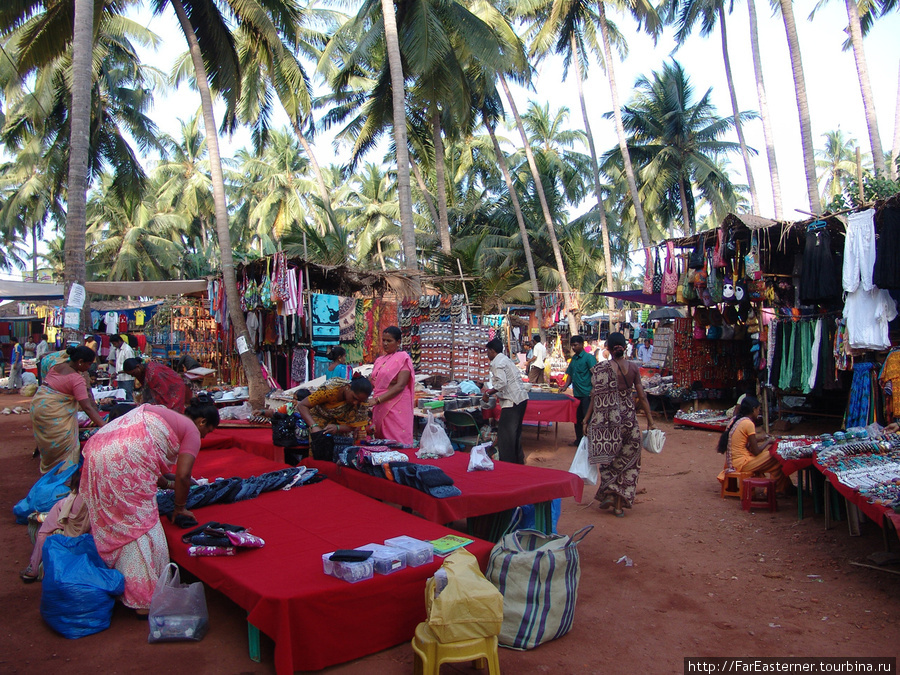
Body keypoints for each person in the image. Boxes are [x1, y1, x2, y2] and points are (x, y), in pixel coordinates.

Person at [80, 398, 220, 612]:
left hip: (97, 449)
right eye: (206, 432)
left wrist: (167, 484)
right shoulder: (191, 430)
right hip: (123, 456)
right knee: (140, 525)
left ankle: (114, 581)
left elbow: (151, 465)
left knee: (118, 519)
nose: (203, 437)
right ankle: (142, 598)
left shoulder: (166, 415)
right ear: (201, 422)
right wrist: (180, 507)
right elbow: (183, 476)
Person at [585, 332, 655, 517]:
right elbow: (642, 396)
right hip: (628, 421)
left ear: (607, 347)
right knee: (629, 462)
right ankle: (618, 504)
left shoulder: (601, 369)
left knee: (608, 459)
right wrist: (650, 421)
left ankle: (609, 492)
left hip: (607, 421)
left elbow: (595, 397)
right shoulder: (633, 368)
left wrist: (586, 419)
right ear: (624, 346)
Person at [31, 346, 106, 473]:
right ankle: (63, 477)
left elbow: (46, 357)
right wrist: (104, 426)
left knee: (49, 446)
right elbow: (87, 407)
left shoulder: (57, 362)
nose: (89, 368)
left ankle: (50, 474)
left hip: (38, 405)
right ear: (80, 361)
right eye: (88, 364)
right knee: (65, 448)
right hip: (54, 412)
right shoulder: (76, 379)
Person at [20, 469, 90, 583]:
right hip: (84, 530)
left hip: (66, 523)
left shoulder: (69, 501)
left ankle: (33, 569)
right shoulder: (97, 497)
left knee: (43, 533)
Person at [717, 396, 793, 494]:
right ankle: (777, 489)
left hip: (734, 461)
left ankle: (783, 487)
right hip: (742, 463)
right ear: (753, 410)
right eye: (758, 409)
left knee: (775, 460)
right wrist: (768, 442)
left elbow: (745, 439)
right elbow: (756, 451)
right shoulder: (748, 424)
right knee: (776, 456)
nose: (759, 412)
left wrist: (763, 438)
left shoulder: (736, 420)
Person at [295, 377, 373, 460]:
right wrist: (314, 426)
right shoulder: (329, 390)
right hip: (319, 421)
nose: (355, 403)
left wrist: (338, 427)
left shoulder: (362, 401)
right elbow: (302, 405)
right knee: (320, 455)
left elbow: (356, 424)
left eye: (359, 401)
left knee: (342, 458)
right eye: (354, 398)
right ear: (348, 387)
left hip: (342, 427)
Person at [482, 338, 529, 464]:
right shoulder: (505, 359)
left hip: (512, 401)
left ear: (492, 351)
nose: (487, 354)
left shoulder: (498, 362)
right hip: (520, 399)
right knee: (515, 433)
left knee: (506, 435)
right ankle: (518, 461)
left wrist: (488, 393)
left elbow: (502, 383)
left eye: (488, 351)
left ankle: (507, 463)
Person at [370, 326, 415, 445]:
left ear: (398, 342)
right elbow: (374, 381)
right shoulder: (380, 360)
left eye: (389, 341)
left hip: (396, 404)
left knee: (396, 441)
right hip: (380, 404)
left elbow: (400, 385)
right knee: (381, 442)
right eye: (383, 340)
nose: (385, 343)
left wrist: (378, 400)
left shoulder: (403, 358)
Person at [561, 335, 598, 447]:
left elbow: (595, 373)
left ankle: (589, 441)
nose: (573, 347)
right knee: (577, 418)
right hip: (576, 394)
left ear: (582, 344)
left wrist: (594, 388)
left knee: (588, 418)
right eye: (572, 345)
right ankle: (578, 440)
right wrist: (565, 386)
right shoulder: (574, 359)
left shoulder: (589, 358)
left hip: (587, 394)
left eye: (575, 345)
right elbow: (570, 374)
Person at [123, 357, 189, 413]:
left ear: (138, 367)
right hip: (167, 388)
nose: (133, 376)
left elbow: (159, 394)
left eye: (133, 373)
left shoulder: (153, 373)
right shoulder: (144, 371)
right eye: (131, 375)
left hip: (175, 388)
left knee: (170, 411)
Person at [110, 335, 136, 401]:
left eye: (114, 344)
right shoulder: (118, 350)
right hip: (120, 378)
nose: (114, 345)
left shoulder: (127, 350)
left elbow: (131, 366)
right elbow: (119, 364)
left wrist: (118, 372)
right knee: (122, 396)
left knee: (129, 396)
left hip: (127, 378)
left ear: (119, 341)